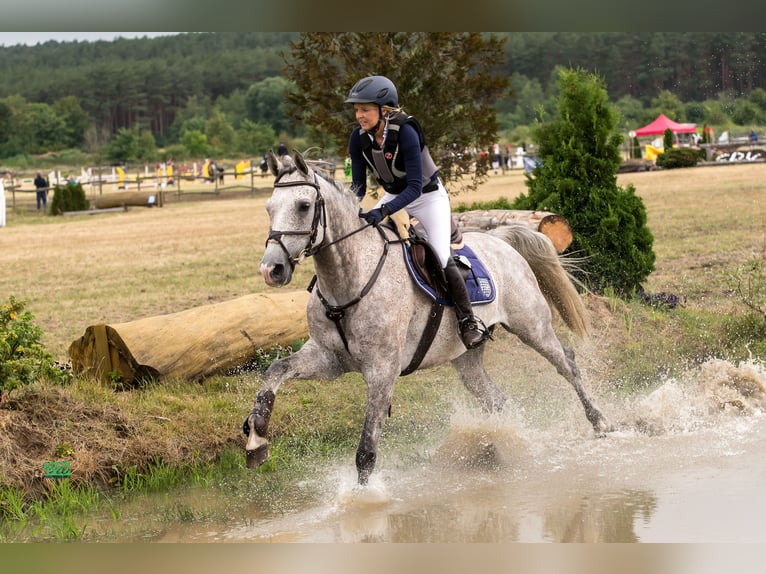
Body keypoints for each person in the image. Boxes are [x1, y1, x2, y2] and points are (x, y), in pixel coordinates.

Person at [345, 75, 486, 349]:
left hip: (428, 197)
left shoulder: (406, 132)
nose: (359, 115)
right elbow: (358, 187)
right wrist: (351, 210)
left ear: (384, 110)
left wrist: (383, 210)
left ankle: (468, 321)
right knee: (362, 238)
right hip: (395, 194)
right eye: (356, 109)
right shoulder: (358, 138)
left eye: (365, 109)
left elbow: (414, 188)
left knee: (441, 256)